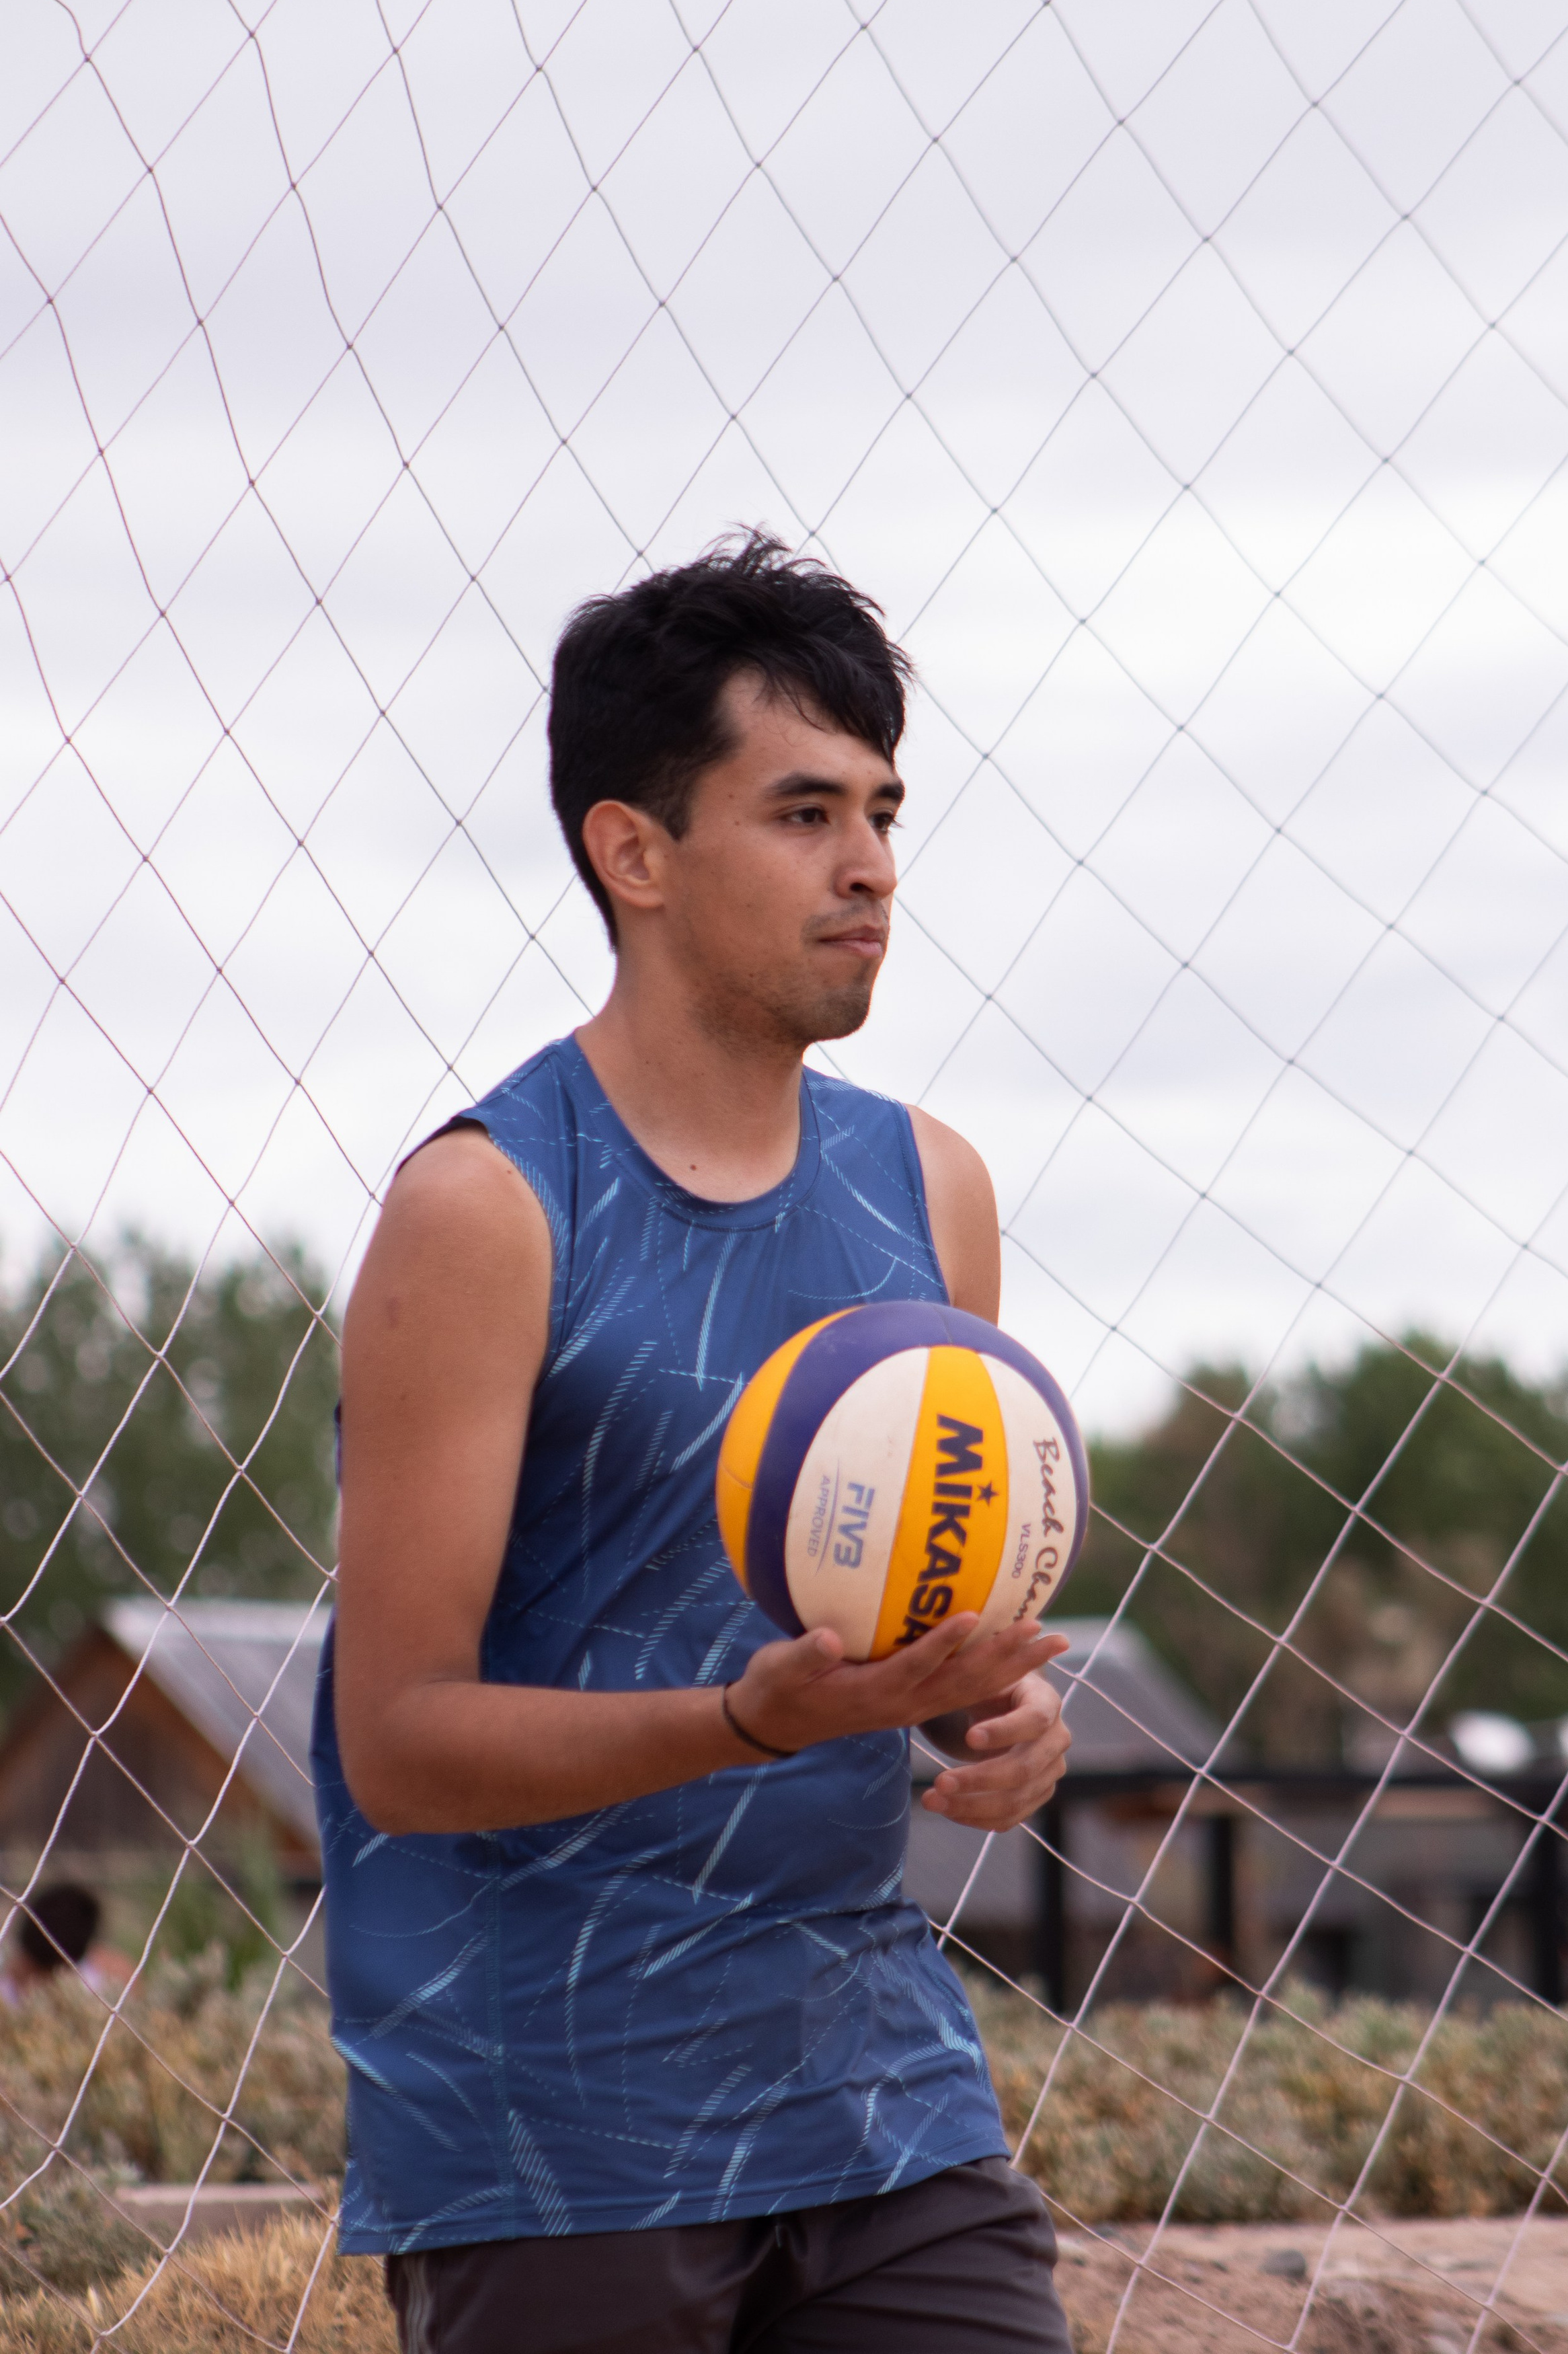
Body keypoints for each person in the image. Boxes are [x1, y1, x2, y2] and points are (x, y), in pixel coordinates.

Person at [315, 533, 1076, 2353]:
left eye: (886, 812)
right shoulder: (489, 1211)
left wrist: (989, 1711)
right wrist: (741, 1722)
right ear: (633, 851)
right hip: (554, 2122)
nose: (874, 867)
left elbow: (905, 1615)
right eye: (804, 812)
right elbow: (400, 1744)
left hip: (879, 2085)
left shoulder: (931, 1188)